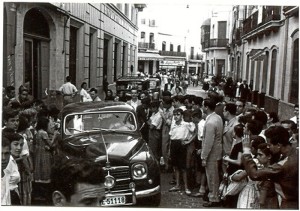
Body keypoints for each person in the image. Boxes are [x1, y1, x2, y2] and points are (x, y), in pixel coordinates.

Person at [242, 126, 298, 209]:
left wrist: (246, 150)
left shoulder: (282, 165)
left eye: (269, 145)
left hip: (290, 204)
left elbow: (255, 174)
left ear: (278, 145)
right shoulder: (296, 152)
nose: (268, 147)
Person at [201, 98, 223, 207]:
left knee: (212, 177)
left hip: (212, 153)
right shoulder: (218, 117)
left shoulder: (210, 122)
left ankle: (213, 198)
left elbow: (208, 142)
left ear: (206, 107)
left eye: (203, 106)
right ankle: (214, 196)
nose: (202, 108)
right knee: (214, 175)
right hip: (217, 151)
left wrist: (204, 156)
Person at [33, 116, 60, 204]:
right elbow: (51, 144)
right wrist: (55, 136)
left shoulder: (38, 132)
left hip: (39, 153)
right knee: (45, 169)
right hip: (44, 154)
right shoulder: (43, 133)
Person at [168, 108, 195, 195]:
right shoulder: (173, 125)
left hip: (182, 145)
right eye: (175, 115)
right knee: (175, 167)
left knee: (183, 167)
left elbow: (195, 132)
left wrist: (188, 141)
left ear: (182, 115)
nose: (176, 116)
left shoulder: (186, 124)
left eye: (178, 114)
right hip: (173, 145)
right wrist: (169, 150)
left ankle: (186, 187)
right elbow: (170, 138)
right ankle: (177, 185)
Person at [2, 129, 24, 205]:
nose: (19, 148)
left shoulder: (13, 160)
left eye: (21, 145)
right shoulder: (6, 162)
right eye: (16, 144)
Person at [256, 143, 279, 209]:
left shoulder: (268, 173)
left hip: (269, 205)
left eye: (260, 155)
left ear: (269, 156)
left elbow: (261, 201)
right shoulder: (272, 169)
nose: (257, 157)